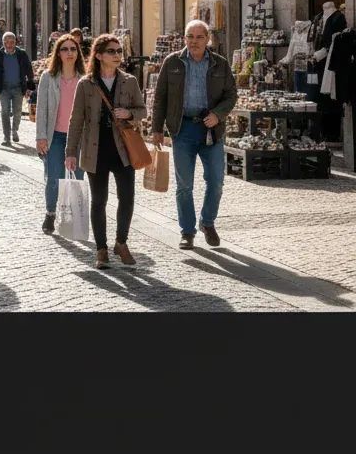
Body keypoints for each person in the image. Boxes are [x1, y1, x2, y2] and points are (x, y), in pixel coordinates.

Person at [151, 19, 237, 250]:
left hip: (211, 130)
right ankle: (187, 232)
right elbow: (160, 98)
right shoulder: (172, 62)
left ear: (208, 39)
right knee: (184, 185)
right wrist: (157, 129)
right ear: (184, 38)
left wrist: (218, 115)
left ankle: (207, 222)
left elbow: (231, 95)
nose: (194, 41)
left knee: (216, 181)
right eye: (190, 36)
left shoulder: (220, 64)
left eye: (199, 37)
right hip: (183, 129)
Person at [65, 33, 147, 268]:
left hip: (123, 149)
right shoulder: (86, 83)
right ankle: (101, 249)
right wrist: (70, 152)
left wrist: (130, 114)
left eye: (119, 51)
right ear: (99, 55)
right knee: (99, 200)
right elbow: (76, 119)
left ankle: (121, 243)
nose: (117, 55)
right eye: (112, 51)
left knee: (127, 198)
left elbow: (143, 110)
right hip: (95, 149)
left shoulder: (129, 81)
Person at [34, 33, 86, 235]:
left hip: (78, 137)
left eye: (73, 49)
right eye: (64, 49)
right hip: (54, 136)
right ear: (58, 53)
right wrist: (41, 137)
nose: (69, 53)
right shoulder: (48, 77)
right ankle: (50, 213)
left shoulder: (85, 78)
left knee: (77, 178)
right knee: (53, 178)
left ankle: (74, 221)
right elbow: (41, 109)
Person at [0, 31, 35, 147]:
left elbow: (29, 70)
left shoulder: (21, 54)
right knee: (5, 112)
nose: (9, 45)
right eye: (6, 42)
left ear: (15, 42)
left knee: (17, 112)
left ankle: (14, 130)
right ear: (3, 43)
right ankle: (6, 137)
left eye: (11, 42)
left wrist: (30, 86)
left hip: (18, 87)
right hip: (4, 89)